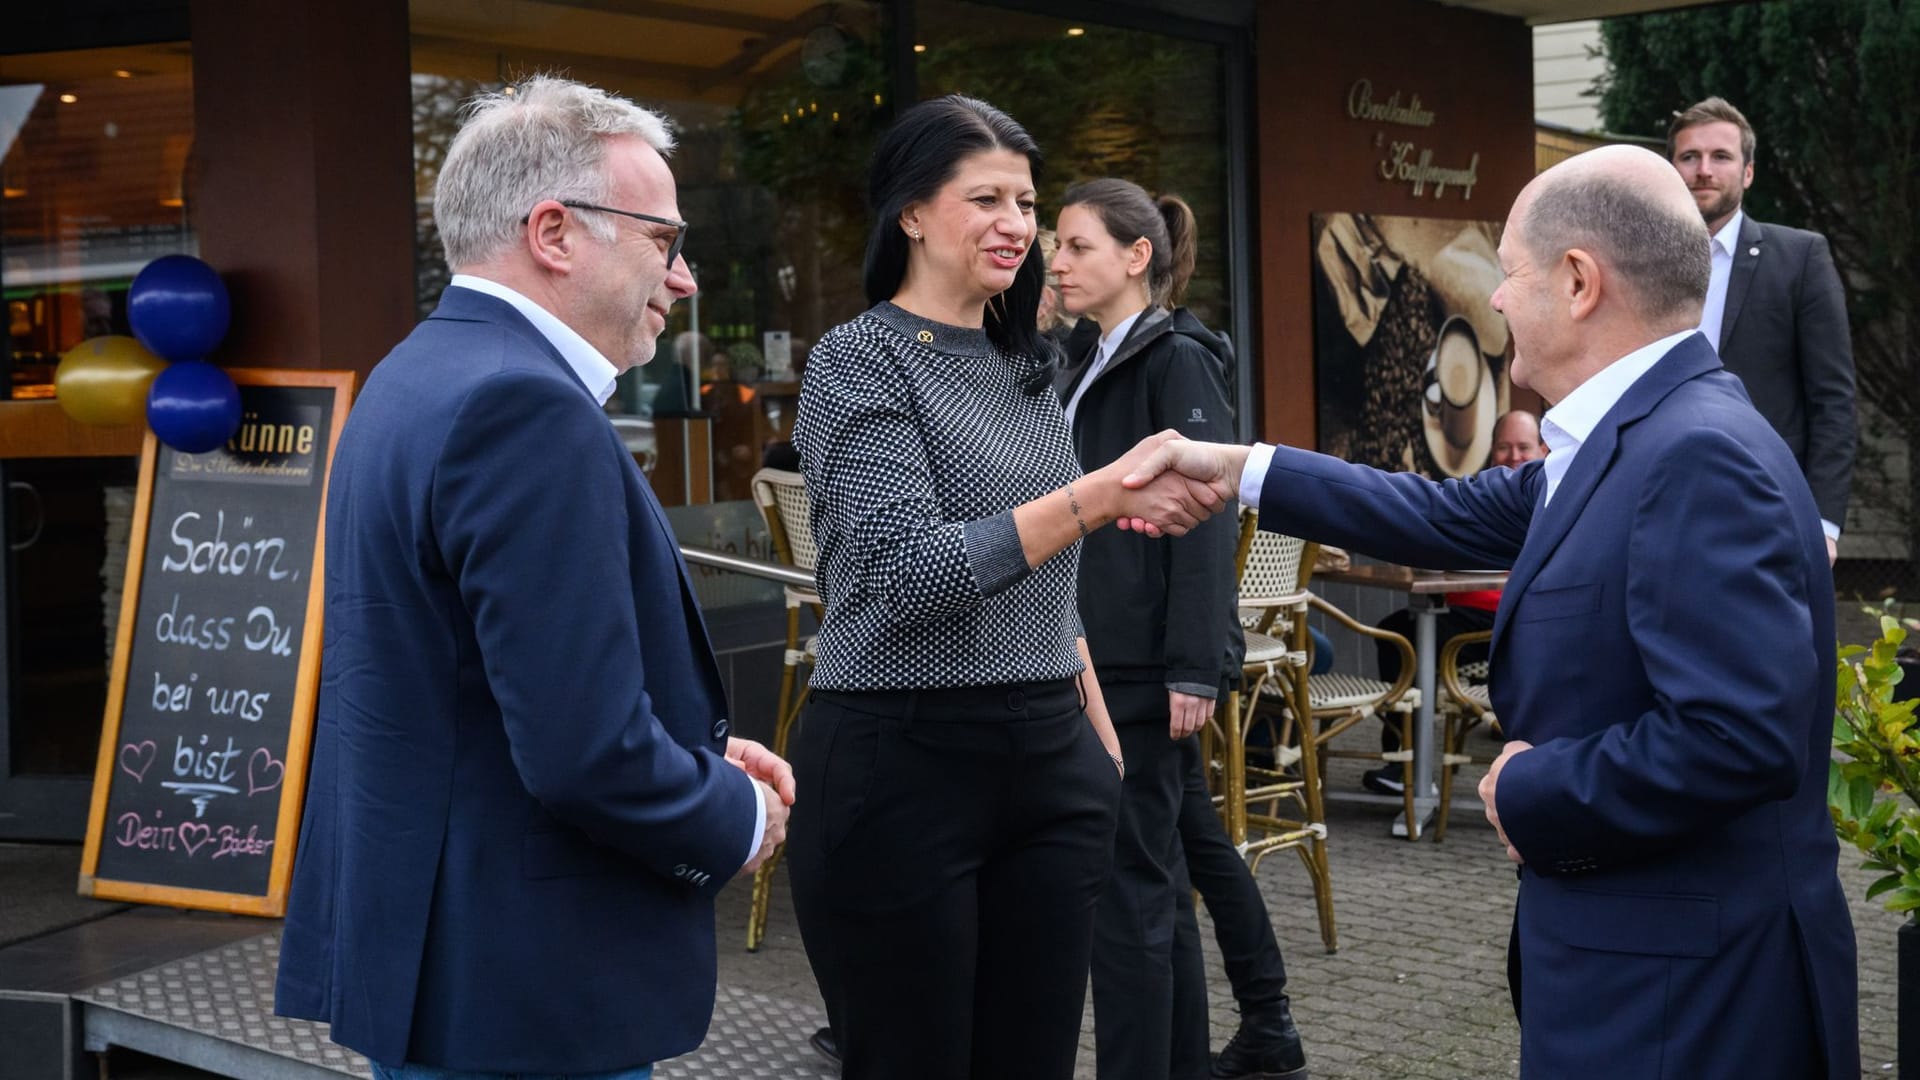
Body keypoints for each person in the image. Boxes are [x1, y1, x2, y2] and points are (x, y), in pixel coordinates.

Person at [1119, 145, 1859, 1079]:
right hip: (1649, 975)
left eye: (1510, 273)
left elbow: (1739, 738)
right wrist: (1240, 468)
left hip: (1687, 1001)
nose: (1498, 301)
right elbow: (1439, 513)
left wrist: (1525, 790)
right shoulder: (1635, 436)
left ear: (1580, 281)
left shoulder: (1696, 455)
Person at [274, 77, 795, 1078]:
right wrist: (733, 819)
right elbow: (580, 748)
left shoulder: (412, 374)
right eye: (664, 241)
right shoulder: (524, 405)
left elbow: (470, 691)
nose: (685, 279)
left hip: (452, 969)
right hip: (527, 995)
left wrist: (697, 766)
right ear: (555, 233)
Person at [784, 95, 1220, 1080]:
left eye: (1025, 201)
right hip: (902, 762)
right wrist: (1097, 496)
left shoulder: (1028, 364)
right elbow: (909, 578)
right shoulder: (858, 360)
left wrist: (1095, 733)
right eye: (986, 198)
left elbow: (1044, 580)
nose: (1018, 225)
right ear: (909, 213)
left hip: (1049, 760)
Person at [1049, 178, 1304, 1080]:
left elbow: (1207, 521)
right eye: (1056, 244)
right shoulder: (1081, 355)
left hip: (1140, 664)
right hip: (1096, 651)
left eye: (1076, 245)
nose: (1057, 259)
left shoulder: (1174, 359)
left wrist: (1198, 665)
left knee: (1129, 894)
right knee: (1153, 880)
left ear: (1136, 255)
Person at [1668, 96, 1855, 564]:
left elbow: (1832, 401)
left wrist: (1822, 524)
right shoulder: (1641, 262)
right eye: (1689, 157)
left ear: (1748, 172)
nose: (1703, 170)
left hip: (1767, 505)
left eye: (1721, 156)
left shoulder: (1800, 258)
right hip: (1660, 497)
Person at [1360, 409, 1544, 797]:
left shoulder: (1547, 500)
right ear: (1491, 451)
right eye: (1504, 447)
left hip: (1507, 622)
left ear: (1542, 449)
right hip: (1453, 606)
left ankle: (1406, 763)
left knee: (1402, 636)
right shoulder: (1486, 495)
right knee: (1397, 633)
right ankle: (1403, 761)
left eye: (1523, 448)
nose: (1514, 456)